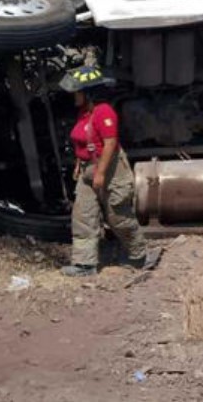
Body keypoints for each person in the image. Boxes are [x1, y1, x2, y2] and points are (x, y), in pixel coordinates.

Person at [59, 65, 147, 276]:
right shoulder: (84, 113)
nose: (74, 96)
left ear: (88, 93)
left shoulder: (104, 112)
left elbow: (110, 144)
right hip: (87, 172)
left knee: (118, 216)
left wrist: (99, 173)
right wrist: (81, 166)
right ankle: (84, 264)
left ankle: (139, 254)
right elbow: (84, 142)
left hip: (110, 170)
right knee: (83, 217)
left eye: (77, 92)